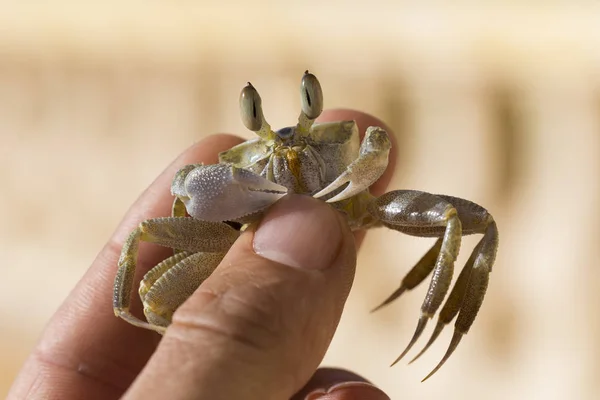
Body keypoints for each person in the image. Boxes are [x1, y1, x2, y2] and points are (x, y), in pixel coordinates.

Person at [8, 110, 394, 400]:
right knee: (153, 295)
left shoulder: (351, 142)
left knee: (448, 220)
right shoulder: (231, 183)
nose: (289, 161)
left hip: (353, 200)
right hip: (235, 239)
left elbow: (376, 142)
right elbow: (182, 193)